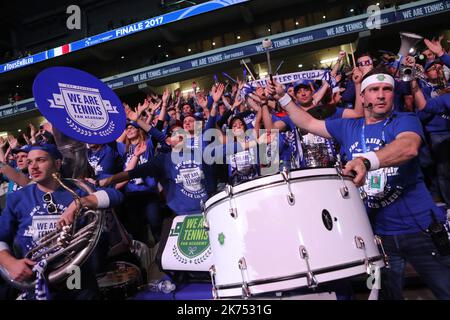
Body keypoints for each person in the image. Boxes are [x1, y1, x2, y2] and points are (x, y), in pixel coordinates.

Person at [265, 69, 450, 299]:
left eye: (387, 90)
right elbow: (309, 122)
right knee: (381, 296)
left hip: (421, 230)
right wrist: (284, 97)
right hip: (376, 240)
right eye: (374, 90)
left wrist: (366, 160)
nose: (381, 95)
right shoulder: (349, 127)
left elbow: (409, 146)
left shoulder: (405, 120)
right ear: (363, 97)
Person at [0, 144, 124, 300]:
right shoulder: (17, 198)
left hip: (75, 273)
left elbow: (116, 196)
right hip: (34, 276)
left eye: (40, 160)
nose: (33, 167)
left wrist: (79, 203)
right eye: (30, 162)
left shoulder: (77, 189)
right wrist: (10, 263)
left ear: (57, 164)